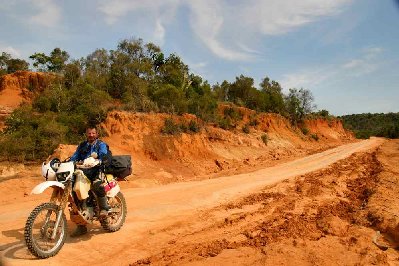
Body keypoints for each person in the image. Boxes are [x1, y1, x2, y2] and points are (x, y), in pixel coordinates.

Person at [69, 126, 111, 237]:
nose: (91, 135)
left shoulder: (100, 145)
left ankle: (104, 209)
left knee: (97, 184)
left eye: (93, 133)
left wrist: (100, 160)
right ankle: (81, 226)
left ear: (97, 134)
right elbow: (75, 156)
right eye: (89, 133)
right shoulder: (82, 145)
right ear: (86, 134)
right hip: (84, 171)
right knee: (75, 192)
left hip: (97, 170)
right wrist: (68, 161)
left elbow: (103, 154)